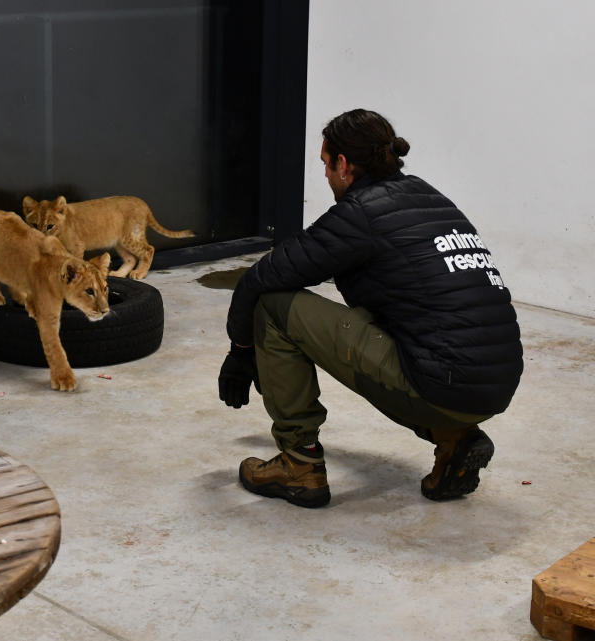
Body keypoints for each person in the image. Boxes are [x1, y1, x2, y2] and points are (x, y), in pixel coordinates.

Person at [218, 108, 522, 508]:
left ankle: (299, 462)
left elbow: (261, 279)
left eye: (326, 165)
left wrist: (241, 351)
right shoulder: (428, 196)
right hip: (498, 381)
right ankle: (455, 437)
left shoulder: (359, 214)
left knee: (273, 308)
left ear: (344, 165)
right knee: (383, 323)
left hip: (445, 383)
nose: (326, 175)